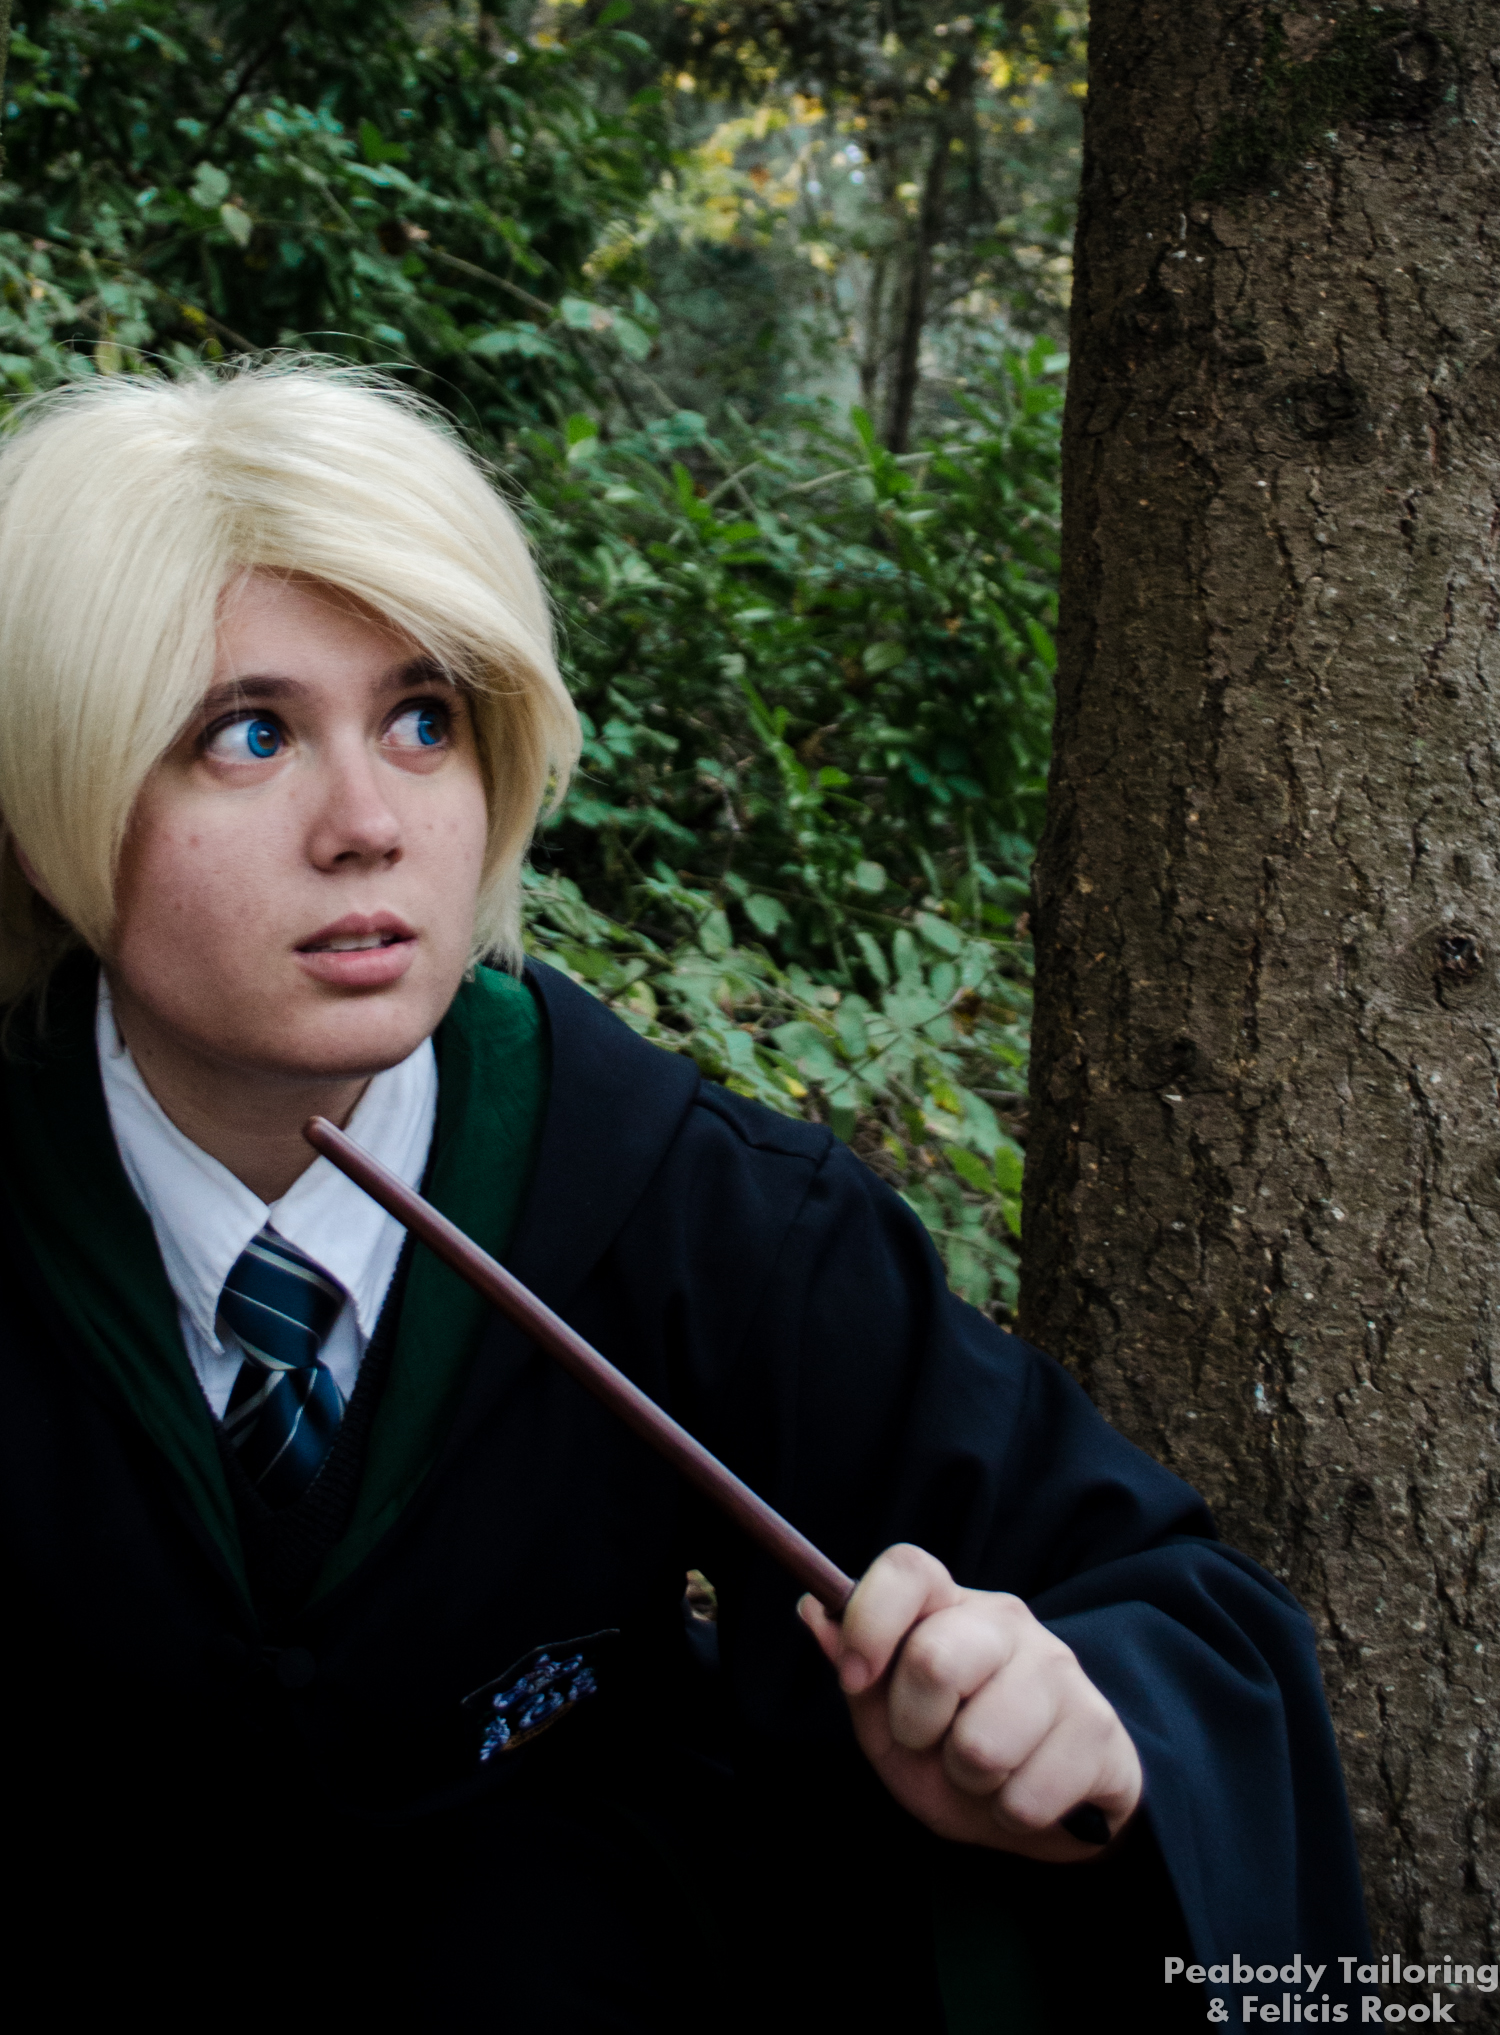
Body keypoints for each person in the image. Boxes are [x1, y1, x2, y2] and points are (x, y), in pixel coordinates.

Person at [0, 362, 1367, 2030]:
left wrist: (1080, 1722)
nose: (368, 825)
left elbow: (1168, 1615)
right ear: (60, 794)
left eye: (424, 721)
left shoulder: (689, 1204)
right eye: (251, 734)